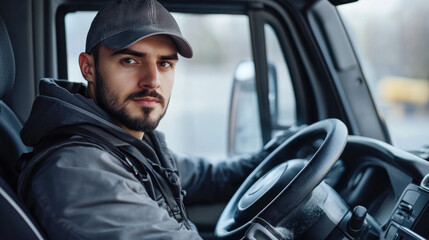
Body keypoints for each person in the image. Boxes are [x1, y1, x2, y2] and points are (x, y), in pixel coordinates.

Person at [16, 0, 289, 239]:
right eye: (130, 61)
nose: (152, 81)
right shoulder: (77, 170)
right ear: (88, 68)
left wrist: (278, 152)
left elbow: (210, 176)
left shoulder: (130, 141)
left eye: (164, 64)